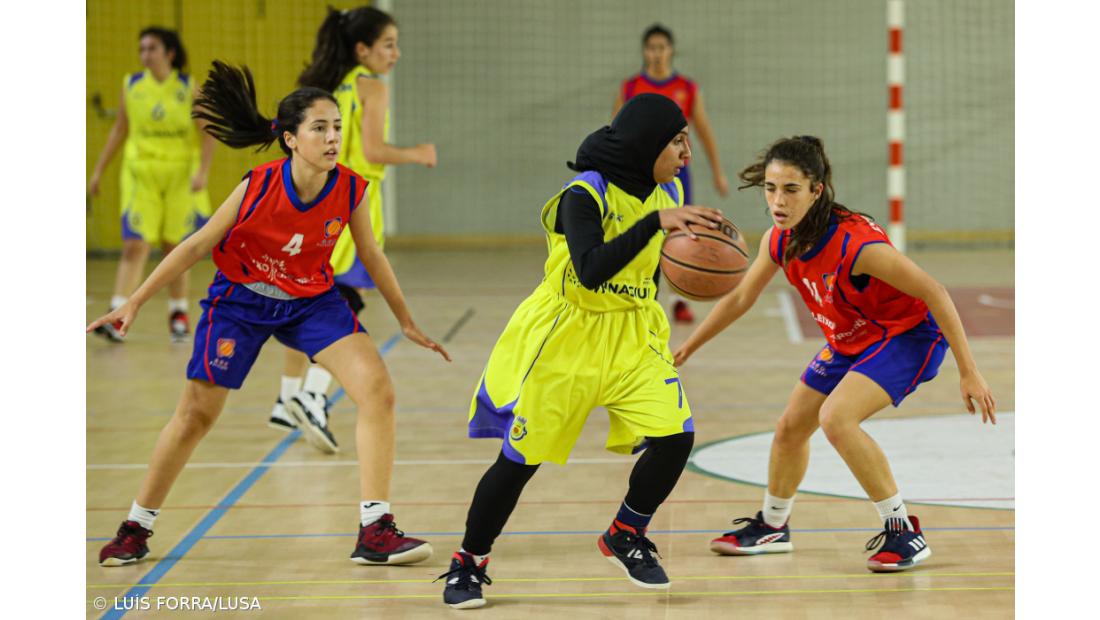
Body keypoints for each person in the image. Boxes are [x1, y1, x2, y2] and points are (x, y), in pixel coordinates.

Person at [89, 61, 450, 568]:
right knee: (196, 415)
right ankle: (135, 527)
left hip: (310, 301)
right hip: (241, 299)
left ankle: (375, 529)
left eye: (337, 127)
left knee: (377, 389)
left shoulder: (348, 188)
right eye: (319, 128)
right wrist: (134, 300)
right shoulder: (258, 185)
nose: (332, 138)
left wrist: (406, 320)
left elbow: (371, 256)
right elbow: (196, 246)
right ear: (290, 139)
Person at [436, 94, 725, 609]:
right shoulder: (584, 194)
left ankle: (625, 534)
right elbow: (591, 268)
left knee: (676, 436)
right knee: (519, 462)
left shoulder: (668, 191)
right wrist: (655, 227)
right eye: (677, 140)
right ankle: (468, 563)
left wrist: (696, 265)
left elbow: (654, 270)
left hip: (631, 336)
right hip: (565, 338)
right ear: (646, 145)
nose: (687, 152)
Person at [673, 136, 997, 573]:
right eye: (770, 188)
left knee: (837, 419)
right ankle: (773, 525)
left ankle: (903, 531)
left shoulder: (856, 244)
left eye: (790, 189)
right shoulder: (779, 240)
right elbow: (739, 299)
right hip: (851, 339)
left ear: (816, 190)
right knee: (790, 427)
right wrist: (689, 346)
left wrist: (969, 371)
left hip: (907, 336)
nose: (778, 200)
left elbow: (934, 291)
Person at [265, 5, 439, 453]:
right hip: (354, 200)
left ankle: (288, 398)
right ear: (362, 49)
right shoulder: (371, 87)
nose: (395, 53)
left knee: (308, 296)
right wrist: (418, 153)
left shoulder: (331, 87)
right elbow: (374, 150)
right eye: (388, 45)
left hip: (321, 199)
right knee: (346, 301)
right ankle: (314, 394)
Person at [88, 26, 216, 343]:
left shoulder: (187, 87)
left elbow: (208, 130)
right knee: (135, 244)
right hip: (140, 173)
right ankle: (117, 313)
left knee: (177, 247)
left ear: (169, 53)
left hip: (179, 175)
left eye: (151, 48)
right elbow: (119, 130)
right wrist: (98, 172)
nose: (145, 54)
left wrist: (203, 171)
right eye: (141, 48)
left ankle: (178, 313)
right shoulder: (132, 85)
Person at [614, 23, 729, 324]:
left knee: (678, 232)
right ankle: (637, 290)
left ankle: (679, 298)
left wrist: (718, 173)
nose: (656, 53)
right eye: (651, 47)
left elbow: (704, 132)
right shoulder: (630, 87)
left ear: (671, 50)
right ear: (644, 51)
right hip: (637, 176)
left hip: (675, 175)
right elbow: (614, 133)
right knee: (641, 231)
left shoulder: (687, 88)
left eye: (661, 47)